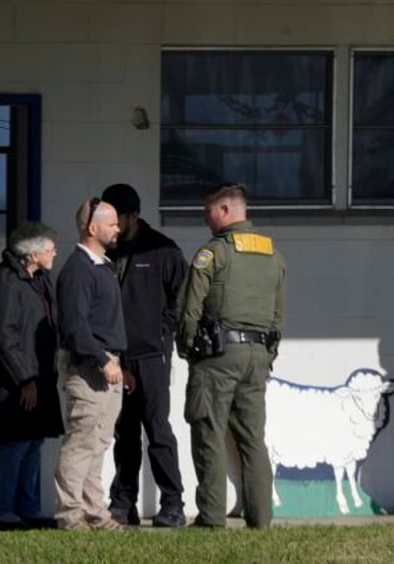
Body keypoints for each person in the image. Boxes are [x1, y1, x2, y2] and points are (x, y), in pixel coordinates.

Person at [176, 183, 285, 529]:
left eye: (209, 212)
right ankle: (261, 520)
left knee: (208, 431)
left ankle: (211, 519)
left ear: (225, 210)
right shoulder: (273, 255)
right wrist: (268, 357)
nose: (206, 219)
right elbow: (278, 316)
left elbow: (189, 308)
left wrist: (187, 348)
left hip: (217, 356)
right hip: (256, 357)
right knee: (252, 438)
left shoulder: (214, 253)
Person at [100, 183, 188, 528]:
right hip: (115, 358)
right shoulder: (105, 250)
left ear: (133, 216)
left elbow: (181, 300)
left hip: (151, 356)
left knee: (158, 431)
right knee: (124, 433)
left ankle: (173, 503)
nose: (112, 226)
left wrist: (162, 331)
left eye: (116, 218)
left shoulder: (163, 251)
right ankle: (122, 502)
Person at [0, 222, 63, 531]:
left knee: (33, 443)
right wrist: (24, 378)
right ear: (31, 252)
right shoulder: (6, 281)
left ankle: (27, 508)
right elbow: (4, 336)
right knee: (15, 443)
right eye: (49, 247)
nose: (54, 251)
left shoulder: (39, 280)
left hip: (40, 376)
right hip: (16, 381)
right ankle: (2, 510)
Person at [54, 198, 127, 531]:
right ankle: (70, 515)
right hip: (88, 368)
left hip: (107, 365)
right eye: (112, 223)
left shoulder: (102, 267)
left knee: (98, 443)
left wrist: (116, 363)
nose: (118, 228)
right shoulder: (78, 270)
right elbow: (75, 325)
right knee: (81, 441)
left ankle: (95, 513)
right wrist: (101, 360)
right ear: (92, 228)